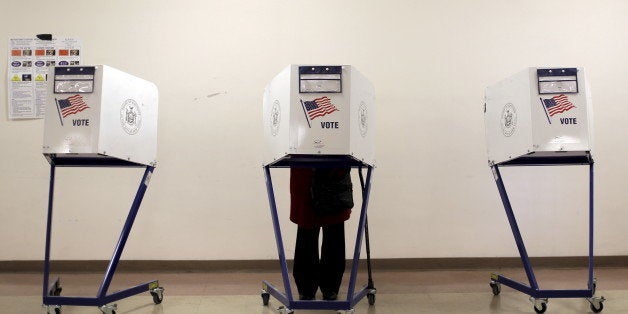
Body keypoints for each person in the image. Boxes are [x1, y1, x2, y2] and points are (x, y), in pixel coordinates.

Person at [290, 167, 354, 301]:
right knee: (307, 232)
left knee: (334, 232)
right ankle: (306, 287)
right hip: (306, 171)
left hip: (334, 174)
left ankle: (330, 287)